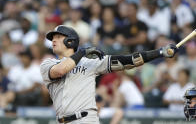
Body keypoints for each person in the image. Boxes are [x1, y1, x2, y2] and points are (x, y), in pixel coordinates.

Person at [40, 25, 178, 124]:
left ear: (70, 41)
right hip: (61, 120)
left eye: (58, 37)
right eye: (52, 38)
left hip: (85, 119)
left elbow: (128, 61)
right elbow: (60, 70)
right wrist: (81, 52)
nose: (53, 40)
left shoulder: (90, 62)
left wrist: (160, 52)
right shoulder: (48, 64)